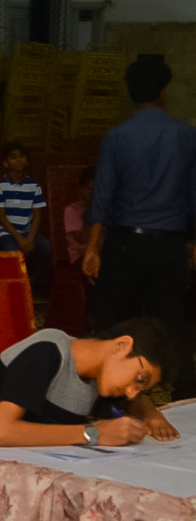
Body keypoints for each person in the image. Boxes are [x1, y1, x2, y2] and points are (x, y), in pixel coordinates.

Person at [84, 59, 196, 400]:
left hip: (123, 244)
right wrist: (193, 245)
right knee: (173, 321)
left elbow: (102, 197)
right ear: (163, 94)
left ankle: (108, 396)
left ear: (131, 95)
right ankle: (185, 397)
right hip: (169, 246)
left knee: (115, 321)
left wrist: (92, 248)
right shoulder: (187, 135)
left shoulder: (116, 136)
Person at [0, 318, 178, 447]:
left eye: (141, 388)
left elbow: (132, 401)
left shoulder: (98, 377)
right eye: (138, 379)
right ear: (122, 345)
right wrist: (92, 434)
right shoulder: (47, 352)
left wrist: (152, 415)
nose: (132, 392)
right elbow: (0, 433)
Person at [0, 141, 51, 288]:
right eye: (13, 157)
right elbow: (1, 217)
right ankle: (15, 286)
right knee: (11, 249)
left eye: (22, 156)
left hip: (28, 231)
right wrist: (20, 239)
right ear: (5, 163)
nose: (18, 160)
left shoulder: (34, 185)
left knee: (45, 246)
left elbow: (37, 215)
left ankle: (36, 285)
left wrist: (29, 239)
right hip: (7, 232)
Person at [65, 166, 95, 266]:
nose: (94, 193)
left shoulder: (106, 208)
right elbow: (84, 240)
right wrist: (90, 209)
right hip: (81, 257)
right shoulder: (71, 210)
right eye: (90, 189)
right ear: (81, 189)